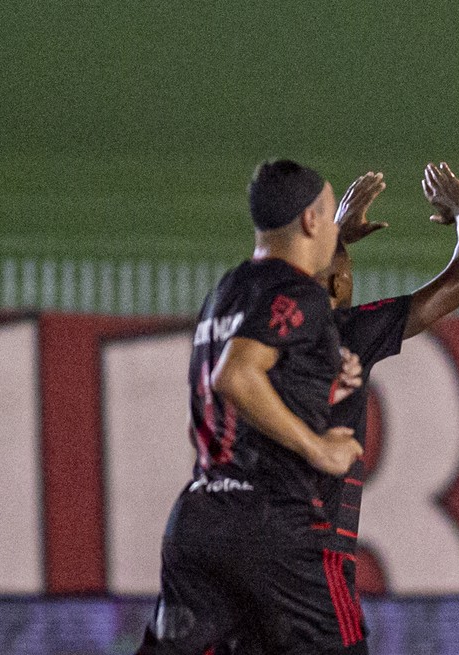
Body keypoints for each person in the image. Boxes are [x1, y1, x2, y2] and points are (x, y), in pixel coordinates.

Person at [220, 161, 459, 654]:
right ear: (338, 287)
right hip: (312, 555)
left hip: (240, 543)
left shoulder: (240, 320)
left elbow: (290, 275)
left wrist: (333, 236)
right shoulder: (348, 332)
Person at [137, 159, 366, 655]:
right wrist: (318, 450)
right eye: (329, 216)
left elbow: (254, 384)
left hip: (199, 520)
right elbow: (236, 375)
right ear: (309, 220)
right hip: (271, 524)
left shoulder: (226, 292)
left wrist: (333, 377)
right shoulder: (296, 292)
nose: (332, 229)